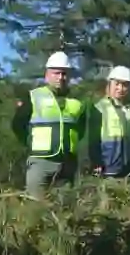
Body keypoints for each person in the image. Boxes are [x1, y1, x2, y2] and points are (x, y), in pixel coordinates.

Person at [14, 51, 85, 198]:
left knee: (65, 212)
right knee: (36, 209)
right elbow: (17, 124)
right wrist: (29, 143)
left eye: (64, 73)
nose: (61, 77)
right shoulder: (33, 96)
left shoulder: (77, 102)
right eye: (56, 73)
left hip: (67, 165)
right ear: (47, 75)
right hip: (40, 163)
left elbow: (81, 130)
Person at [88, 65, 130, 192]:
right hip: (110, 168)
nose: (120, 88)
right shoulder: (100, 108)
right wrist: (96, 161)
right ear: (110, 84)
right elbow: (93, 139)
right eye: (117, 84)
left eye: (125, 85)